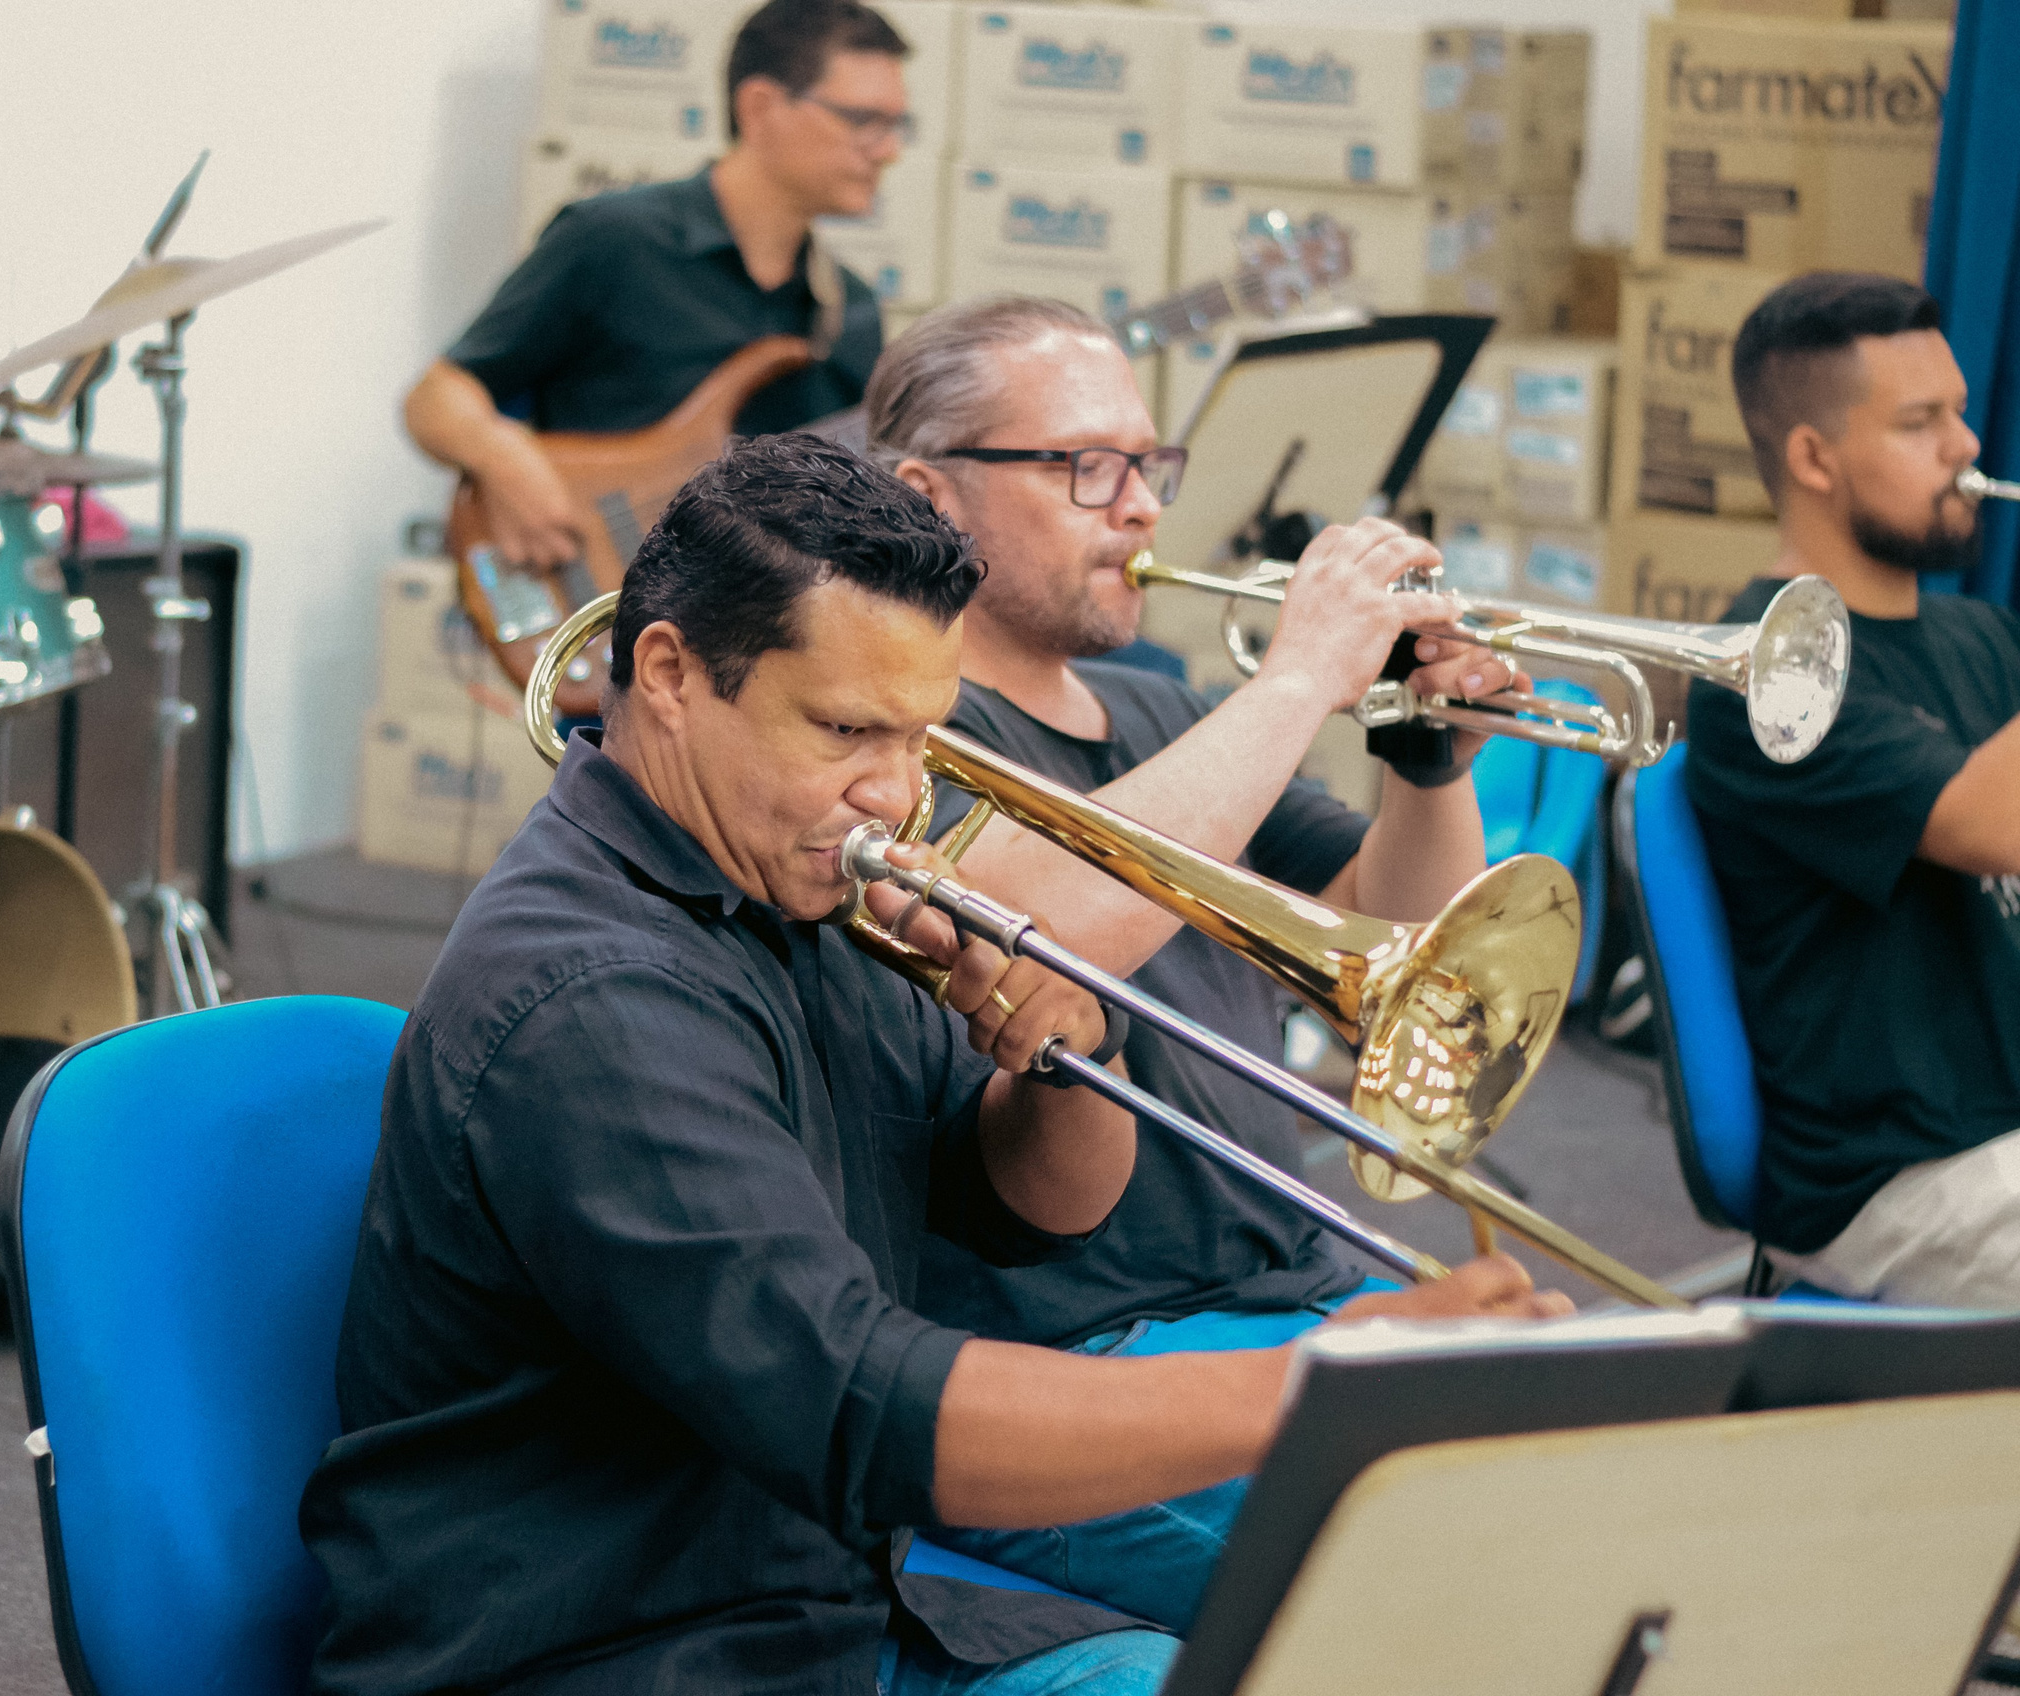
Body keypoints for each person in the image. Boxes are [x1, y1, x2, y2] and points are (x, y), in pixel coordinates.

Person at [300, 433, 1567, 1695]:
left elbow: (1016, 1214)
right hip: (603, 1651)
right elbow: (860, 1409)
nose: (896, 795)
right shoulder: (591, 994)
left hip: (820, 1612)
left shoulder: (795, 882)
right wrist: (1319, 1384)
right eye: (849, 727)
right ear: (672, 674)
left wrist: (1069, 1054)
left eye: (921, 736)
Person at [862, 293, 1538, 1629]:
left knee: (1636, 1473)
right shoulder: (893, 739)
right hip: (1081, 1359)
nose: (1140, 510)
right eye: (1086, 468)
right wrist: (1297, 684)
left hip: (1301, 1285)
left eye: (1149, 466)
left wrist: (1423, 762)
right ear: (929, 498)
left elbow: (1410, 964)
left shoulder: (1168, 714)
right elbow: (1019, 944)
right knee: (1494, 1578)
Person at [1685, 270, 2020, 1309]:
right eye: (1921, 423)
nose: (1965, 446)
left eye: (1958, 413)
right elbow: (1989, 823)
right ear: (1813, 457)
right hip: (1895, 1180)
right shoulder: (1764, 672)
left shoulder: (1977, 636)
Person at [403, 0, 907, 576]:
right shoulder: (614, 240)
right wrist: (505, 461)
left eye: (897, 125)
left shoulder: (853, 312)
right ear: (761, 107)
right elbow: (436, 397)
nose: (888, 151)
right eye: (863, 120)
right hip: (585, 598)